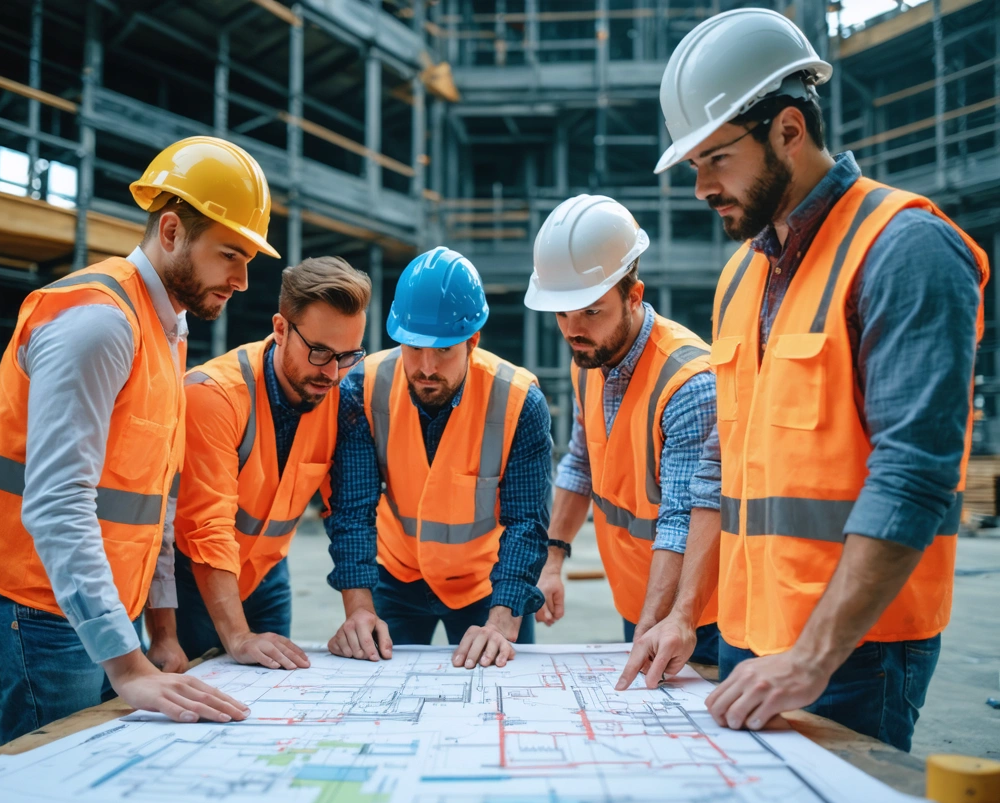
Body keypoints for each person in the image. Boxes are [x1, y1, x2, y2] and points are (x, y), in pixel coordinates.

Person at [633, 8, 989, 750]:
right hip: (745, 633)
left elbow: (914, 480)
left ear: (788, 131)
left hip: (855, 651)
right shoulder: (740, 278)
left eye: (715, 159)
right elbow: (718, 466)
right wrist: (682, 613)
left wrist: (810, 659)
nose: (700, 187)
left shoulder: (904, 250)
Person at [0, 136, 277, 743]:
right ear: (170, 232)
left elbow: (153, 502)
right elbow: (57, 502)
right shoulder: (100, 323)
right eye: (230, 254)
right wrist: (128, 663)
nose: (243, 280)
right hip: (31, 606)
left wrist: (161, 635)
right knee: (51, 791)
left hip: (91, 609)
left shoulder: (167, 329)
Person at [324, 247, 553, 668]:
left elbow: (526, 522)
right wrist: (358, 607)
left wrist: (502, 618)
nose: (426, 367)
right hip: (396, 576)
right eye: (413, 347)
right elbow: (352, 510)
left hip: (487, 586)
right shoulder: (362, 388)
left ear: (473, 341)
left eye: (444, 350)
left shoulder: (519, 402)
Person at [524, 195, 720, 677]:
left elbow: (680, 518)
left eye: (591, 312)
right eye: (562, 314)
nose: (573, 330)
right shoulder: (589, 359)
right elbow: (580, 464)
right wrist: (553, 561)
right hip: (638, 601)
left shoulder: (688, 383)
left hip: (700, 617)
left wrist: (656, 623)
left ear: (634, 296)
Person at [171, 257, 371, 670]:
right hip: (195, 582)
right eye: (319, 352)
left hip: (267, 575)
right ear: (281, 329)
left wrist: (359, 612)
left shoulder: (341, 394)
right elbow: (207, 528)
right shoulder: (214, 398)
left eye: (348, 355)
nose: (333, 373)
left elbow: (349, 513)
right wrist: (238, 636)